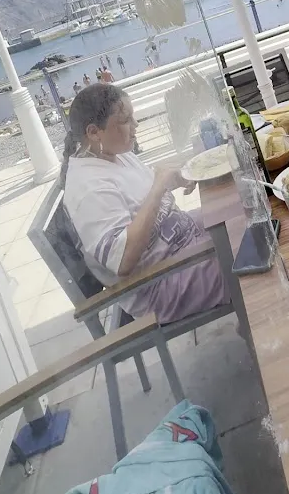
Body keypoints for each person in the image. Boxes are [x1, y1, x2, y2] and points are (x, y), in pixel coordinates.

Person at [62, 85, 228, 323]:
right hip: (160, 284)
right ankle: (258, 322)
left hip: (182, 244)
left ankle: (248, 317)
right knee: (244, 250)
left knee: (239, 211)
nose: (136, 125)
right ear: (94, 132)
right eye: (125, 120)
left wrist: (176, 178)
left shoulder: (113, 153)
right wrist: (158, 187)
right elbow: (123, 259)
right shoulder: (88, 190)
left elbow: (143, 194)